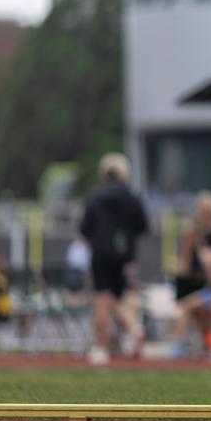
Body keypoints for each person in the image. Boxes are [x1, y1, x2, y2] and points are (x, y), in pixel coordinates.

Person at [80, 153, 149, 365]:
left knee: (102, 298)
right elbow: (143, 227)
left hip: (100, 254)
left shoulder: (95, 198)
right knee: (117, 297)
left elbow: (84, 229)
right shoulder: (132, 198)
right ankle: (134, 328)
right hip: (123, 255)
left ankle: (102, 348)